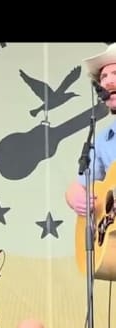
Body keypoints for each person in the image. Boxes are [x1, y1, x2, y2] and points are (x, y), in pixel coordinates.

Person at [65, 43, 116, 215]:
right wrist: (75, 197)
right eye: (103, 77)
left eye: (115, 74)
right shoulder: (104, 140)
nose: (108, 81)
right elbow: (78, 185)